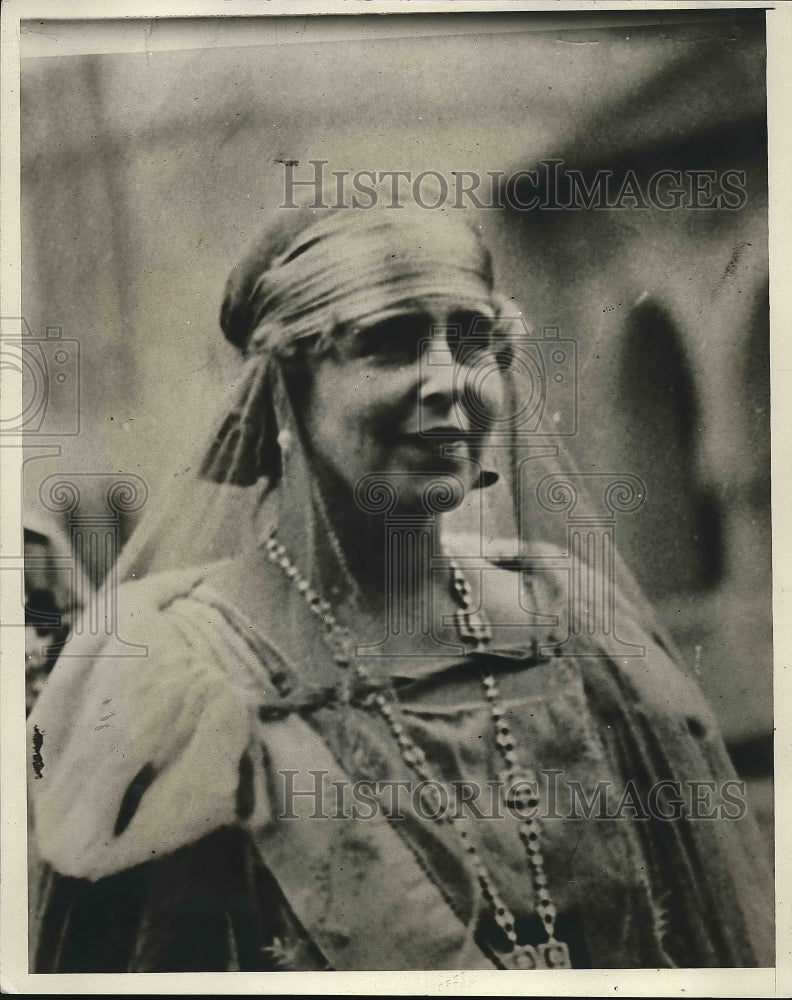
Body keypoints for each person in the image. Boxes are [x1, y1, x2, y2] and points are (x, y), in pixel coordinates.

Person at [28, 195, 773, 972]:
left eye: (473, 339)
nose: (450, 381)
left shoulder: (572, 629)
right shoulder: (176, 686)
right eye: (391, 343)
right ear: (282, 386)